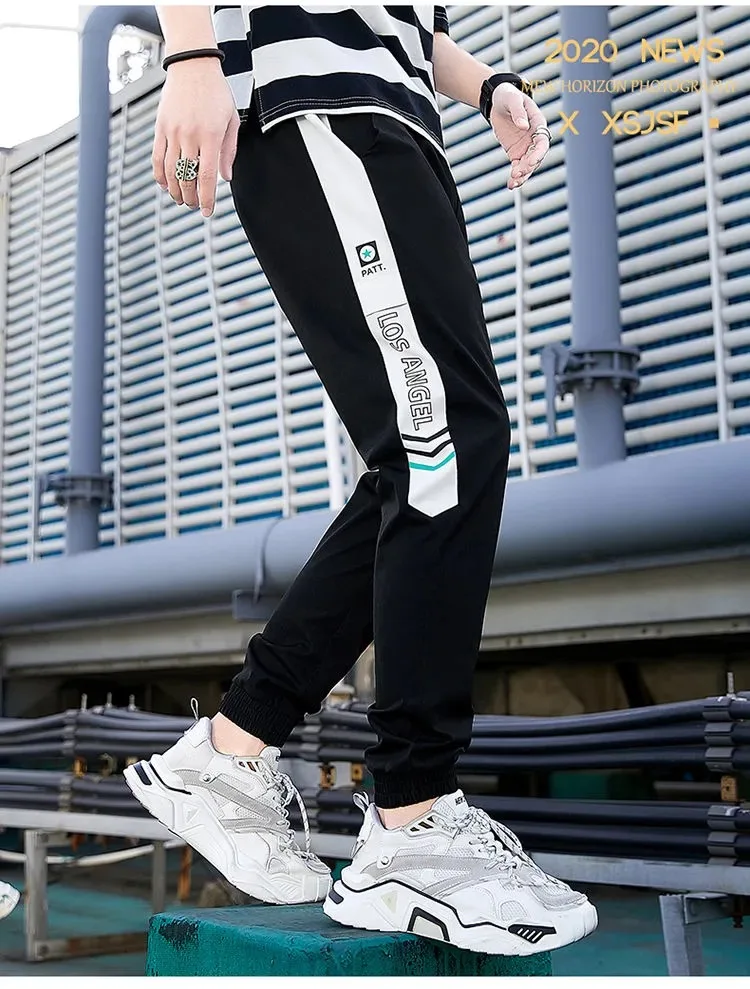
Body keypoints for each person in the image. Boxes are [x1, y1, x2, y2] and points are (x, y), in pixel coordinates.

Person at [126, 4, 597, 955]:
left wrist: (488, 88)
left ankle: (233, 749)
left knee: (425, 454)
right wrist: (191, 55)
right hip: (320, 104)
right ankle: (411, 822)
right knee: (442, 440)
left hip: (397, 120)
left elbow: (410, 24)